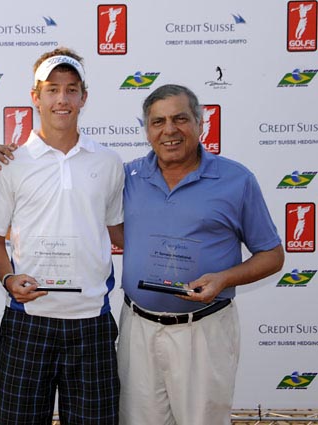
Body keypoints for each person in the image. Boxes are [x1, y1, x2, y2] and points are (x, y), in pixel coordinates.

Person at [118, 84, 284, 425]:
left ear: (199, 123)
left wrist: (224, 278)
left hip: (203, 331)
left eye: (180, 118)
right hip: (138, 329)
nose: (169, 130)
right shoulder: (128, 177)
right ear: (146, 129)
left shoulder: (236, 180)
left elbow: (272, 255)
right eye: (158, 121)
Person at [0, 48, 124, 424]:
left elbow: (119, 232)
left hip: (92, 321)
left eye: (71, 89)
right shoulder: (10, 163)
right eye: (52, 89)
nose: (62, 99)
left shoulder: (108, 162)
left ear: (84, 97)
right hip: (29, 318)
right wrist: (9, 279)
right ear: (35, 96)